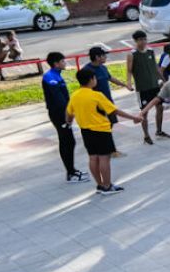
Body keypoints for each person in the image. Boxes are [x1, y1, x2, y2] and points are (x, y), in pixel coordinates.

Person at [65, 67, 142, 195]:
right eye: (94, 78)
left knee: (93, 158)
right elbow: (114, 111)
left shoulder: (75, 95)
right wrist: (134, 117)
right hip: (101, 131)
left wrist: (68, 122)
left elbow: (69, 113)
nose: (95, 80)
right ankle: (107, 186)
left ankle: (100, 185)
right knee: (104, 158)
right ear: (91, 80)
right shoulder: (96, 95)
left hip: (86, 131)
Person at [42, 52, 89, 184]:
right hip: (59, 114)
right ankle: (70, 173)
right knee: (66, 141)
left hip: (63, 113)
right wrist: (68, 113)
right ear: (56, 63)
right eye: (63, 61)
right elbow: (59, 100)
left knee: (70, 141)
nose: (65, 63)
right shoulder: (50, 77)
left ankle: (72, 169)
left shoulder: (56, 75)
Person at [125, 31, 169, 145]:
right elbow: (129, 70)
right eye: (140, 39)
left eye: (145, 39)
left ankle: (159, 131)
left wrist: (164, 81)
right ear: (135, 41)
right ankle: (146, 136)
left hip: (155, 86)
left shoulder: (150, 51)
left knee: (160, 108)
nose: (143, 41)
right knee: (144, 112)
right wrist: (128, 83)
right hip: (142, 88)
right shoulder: (132, 54)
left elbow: (155, 67)